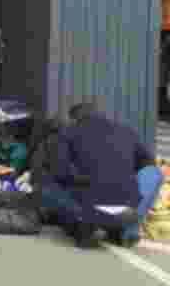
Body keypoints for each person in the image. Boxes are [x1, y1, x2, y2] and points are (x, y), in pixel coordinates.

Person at [37, 104, 165, 249]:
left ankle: (81, 224)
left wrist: (80, 179)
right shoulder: (127, 132)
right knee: (155, 173)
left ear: (74, 119)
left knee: (46, 186)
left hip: (89, 206)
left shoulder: (67, 133)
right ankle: (126, 230)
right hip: (126, 207)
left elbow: (61, 171)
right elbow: (148, 163)